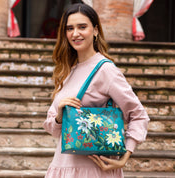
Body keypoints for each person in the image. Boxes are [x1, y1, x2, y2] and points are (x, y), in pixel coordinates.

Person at [43, 3, 150, 178]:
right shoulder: (67, 70)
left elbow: (138, 115)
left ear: (95, 30)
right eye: (70, 28)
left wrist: (125, 156)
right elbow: (53, 129)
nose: (75, 33)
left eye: (82, 27)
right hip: (62, 166)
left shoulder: (106, 70)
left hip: (93, 170)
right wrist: (60, 116)